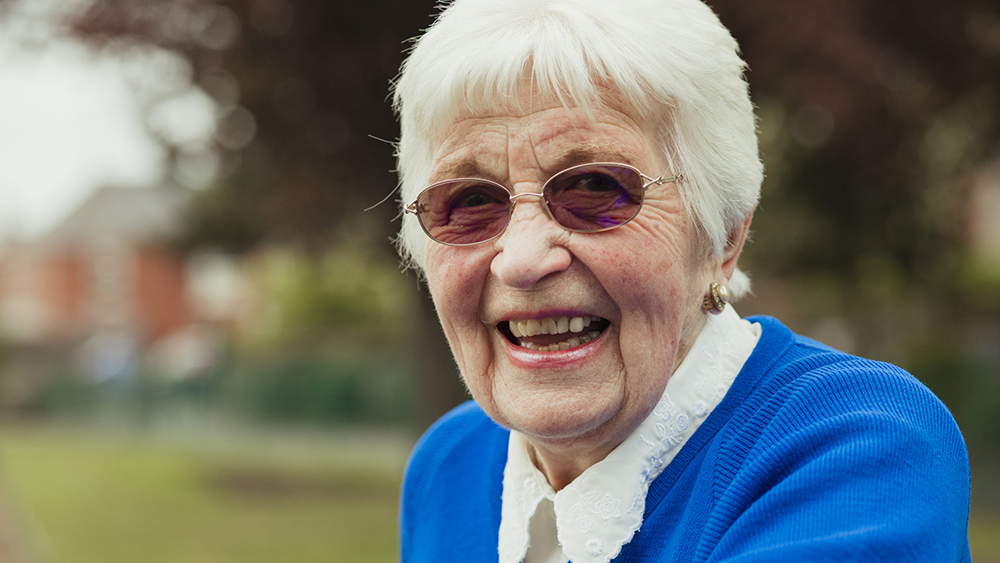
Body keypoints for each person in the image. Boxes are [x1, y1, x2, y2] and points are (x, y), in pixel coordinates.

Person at [391, 0, 972, 561]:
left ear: (722, 239)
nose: (520, 260)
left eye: (594, 188)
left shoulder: (863, 446)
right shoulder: (451, 465)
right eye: (468, 201)